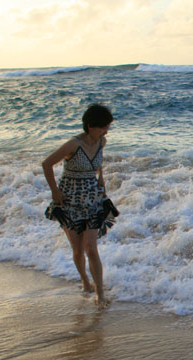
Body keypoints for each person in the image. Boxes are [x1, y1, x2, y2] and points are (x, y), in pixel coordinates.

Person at [43, 104, 118, 308]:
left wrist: (101, 178)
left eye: (108, 126)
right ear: (90, 126)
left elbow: (99, 161)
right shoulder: (73, 145)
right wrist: (54, 191)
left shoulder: (102, 141)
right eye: (103, 127)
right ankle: (85, 281)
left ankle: (100, 293)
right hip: (70, 202)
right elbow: (47, 164)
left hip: (93, 200)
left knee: (91, 248)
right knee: (77, 249)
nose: (106, 131)